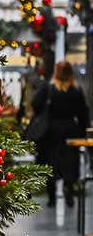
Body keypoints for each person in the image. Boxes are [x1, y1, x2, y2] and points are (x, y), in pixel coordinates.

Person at [34, 60, 89, 207]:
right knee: (70, 164)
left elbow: (35, 105)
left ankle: (52, 198)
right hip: (71, 130)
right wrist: (83, 134)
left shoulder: (48, 88)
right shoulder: (76, 90)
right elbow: (83, 114)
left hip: (51, 132)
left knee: (51, 163)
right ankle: (69, 191)